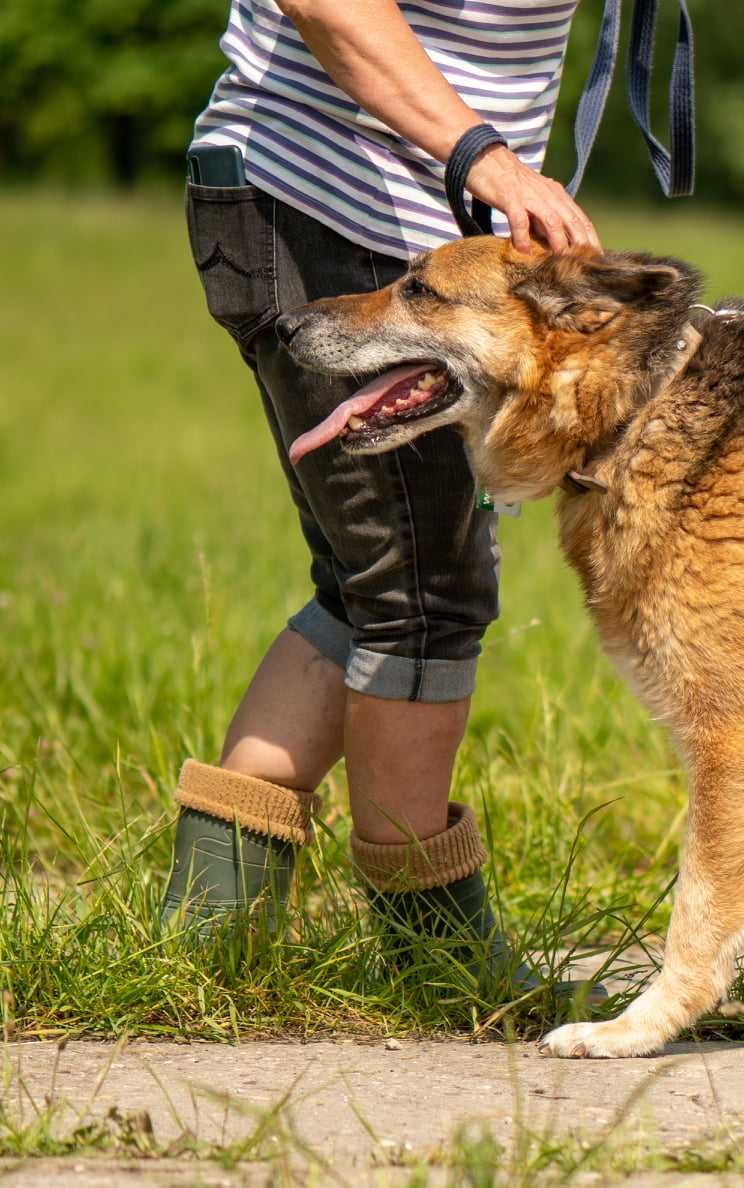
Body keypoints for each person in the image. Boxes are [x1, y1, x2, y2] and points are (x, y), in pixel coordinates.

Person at [162, 0, 597, 990]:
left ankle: (205, 943)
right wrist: (485, 158)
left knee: (363, 592)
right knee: (424, 600)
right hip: (339, 217)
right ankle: (438, 960)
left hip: (371, 220)